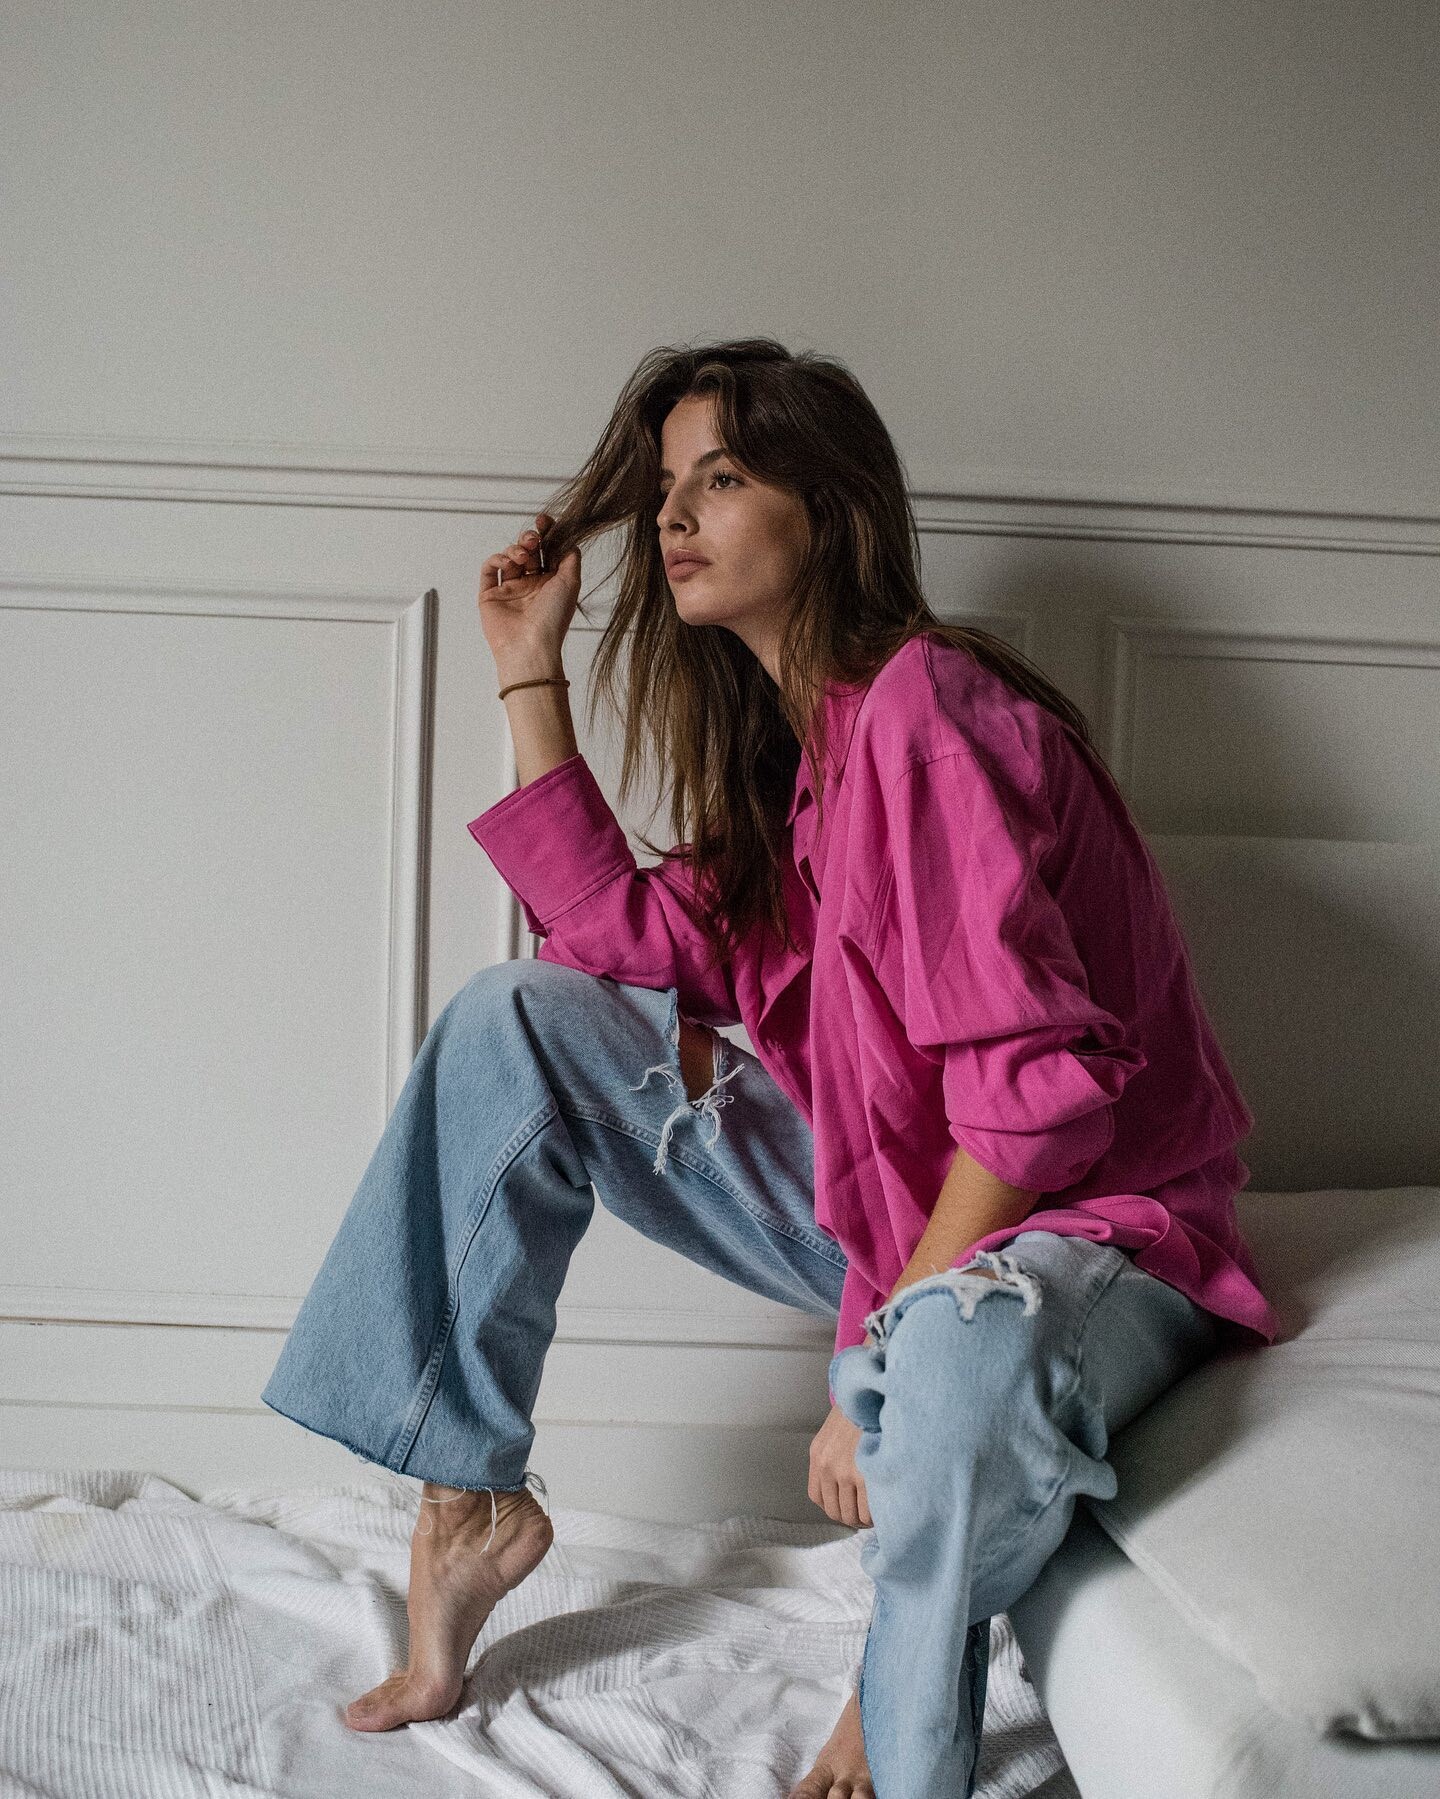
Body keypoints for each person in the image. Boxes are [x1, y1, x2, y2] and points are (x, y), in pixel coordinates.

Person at [262, 337, 1280, 1799]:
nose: (675, 516)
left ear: (829, 509)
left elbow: (1035, 1109)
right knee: (515, 1020)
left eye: (723, 479)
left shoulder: (929, 711)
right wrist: (529, 668)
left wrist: (876, 1360)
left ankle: (895, 1725)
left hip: (1092, 1228)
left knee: (955, 1354)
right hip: (914, 1211)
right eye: (670, 488)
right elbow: (611, 946)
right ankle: (465, 1502)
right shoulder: (808, 769)